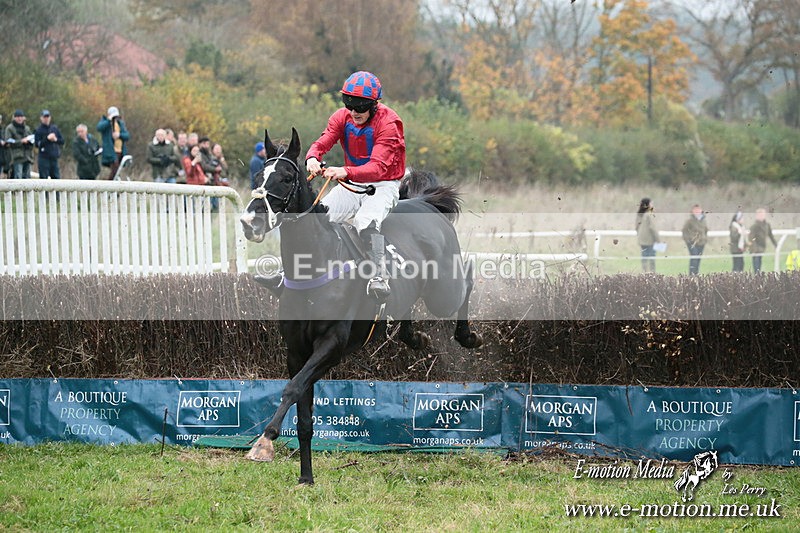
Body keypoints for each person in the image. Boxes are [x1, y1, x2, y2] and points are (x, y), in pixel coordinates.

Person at [305, 71, 406, 300]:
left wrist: (344, 171)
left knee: (364, 222)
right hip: (353, 184)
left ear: (373, 104)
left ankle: (380, 276)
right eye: (349, 104)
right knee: (317, 217)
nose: (354, 112)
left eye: (360, 107)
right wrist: (312, 157)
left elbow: (378, 167)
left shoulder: (389, 123)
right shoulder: (342, 117)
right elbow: (324, 140)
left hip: (383, 185)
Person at [97, 106, 130, 179]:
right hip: (110, 151)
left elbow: (127, 135)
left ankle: (112, 185)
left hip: (120, 151)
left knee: (117, 170)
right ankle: (109, 186)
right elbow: (99, 128)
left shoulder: (120, 124)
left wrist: (119, 135)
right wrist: (109, 120)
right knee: (115, 169)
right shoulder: (105, 122)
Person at [34, 109, 65, 180]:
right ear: (41, 118)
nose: (46, 119)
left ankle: (57, 192)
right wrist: (47, 139)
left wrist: (55, 139)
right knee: (44, 179)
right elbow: (37, 144)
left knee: (56, 178)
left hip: (54, 158)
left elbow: (62, 141)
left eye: (48, 117)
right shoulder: (38, 130)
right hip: (44, 158)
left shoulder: (54, 128)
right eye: (44, 117)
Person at [4, 109, 34, 179]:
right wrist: (21, 141)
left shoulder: (27, 128)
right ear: (14, 117)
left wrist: (29, 141)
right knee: (18, 177)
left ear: (24, 118)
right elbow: (8, 141)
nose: (19, 118)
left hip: (27, 157)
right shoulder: (10, 128)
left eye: (21, 116)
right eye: (17, 116)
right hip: (16, 157)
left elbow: (32, 140)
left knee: (27, 178)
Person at [681, 204, 708, 275]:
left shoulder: (703, 220)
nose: (697, 211)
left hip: (701, 243)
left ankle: (696, 274)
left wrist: (705, 239)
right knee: (694, 258)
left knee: (698, 259)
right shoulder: (689, 221)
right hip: (692, 243)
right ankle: (691, 275)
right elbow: (684, 231)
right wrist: (688, 241)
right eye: (695, 210)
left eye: (698, 209)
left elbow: (706, 230)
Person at [748, 207, 777, 273]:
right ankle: (756, 279)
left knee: (759, 265)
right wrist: (754, 249)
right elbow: (751, 238)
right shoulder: (754, 226)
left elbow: (771, 236)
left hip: (762, 248)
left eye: (763, 214)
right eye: (760, 215)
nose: (762, 216)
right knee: (756, 267)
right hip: (755, 250)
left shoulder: (767, 225)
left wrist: (775, 244)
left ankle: (758, 278)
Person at [636, 197, 659, 273]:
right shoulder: (649, 214)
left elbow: (636, 227)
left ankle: (644, 273)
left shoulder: (639, 214)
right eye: (651, 203)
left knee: (644, 258)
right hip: (650, 240)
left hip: (642, 240)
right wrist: (658, 240)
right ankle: (652, 274)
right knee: (652, 259)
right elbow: (653, 228)